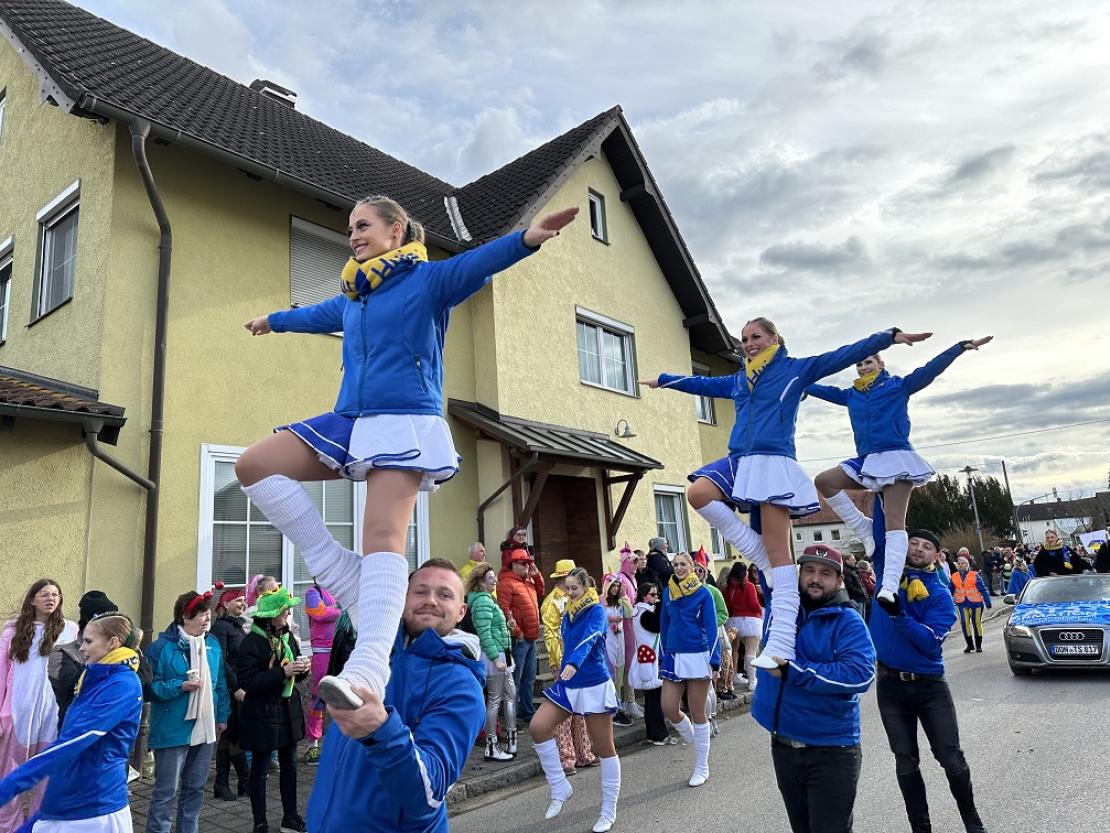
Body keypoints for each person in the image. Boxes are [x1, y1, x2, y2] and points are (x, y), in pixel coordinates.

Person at [237, 199, 577, 711]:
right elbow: (315, 315)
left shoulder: (427, 280)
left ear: (396, 230)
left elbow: (476, 264)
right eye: (350, 228)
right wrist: (274, 321)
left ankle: (370, 667)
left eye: (363, 226)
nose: (353, 235)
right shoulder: (354, 298)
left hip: (403, 420)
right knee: (253, 464)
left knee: (382, 536)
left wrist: (527, 238)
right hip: (351, 418)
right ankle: (338, 568)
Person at [642, 318, 930, 668]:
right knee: (699, 493)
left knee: (780, 558)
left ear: (774, 338)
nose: (749, 343)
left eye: (756, 337)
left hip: (773, 462)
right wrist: (665, 380)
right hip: (740, 459)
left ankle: (781, 644)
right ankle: (756, 551)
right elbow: (703, 382)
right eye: (745, 338)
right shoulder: (740, 379)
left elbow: (842, 354)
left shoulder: (795, 370)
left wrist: (888, 338)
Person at [806, 338, 992, 608]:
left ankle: (890, 586)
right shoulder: (851, 395)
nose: (862, 367)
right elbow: (813, 386)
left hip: (896, 457)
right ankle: (863, 528)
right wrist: (790, 378)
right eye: (859, 363)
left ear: (881, 364)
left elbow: (931, 369)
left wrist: (959, 348)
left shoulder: (898, 386)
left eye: (868, 362)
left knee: (895, 522)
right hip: (867, 460)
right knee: (824, 481)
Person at [305, 558, 485, 833]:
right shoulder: (375, 649)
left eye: (444, 594)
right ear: (401, 601)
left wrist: (381, 731)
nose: (431, 601)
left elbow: (430, 792)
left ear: (461, 612)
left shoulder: (461, 686)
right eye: (420, 591)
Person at [868, 518, 988, 833]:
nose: (919, 549)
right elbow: (884, 527)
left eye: (927, 547)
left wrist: (898, 615)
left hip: (929, 687)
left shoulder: (939, 593)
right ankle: (920, 826)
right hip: (890, 687)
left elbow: (928, 643)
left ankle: (971, 818)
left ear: (937, 556)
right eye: (914, 543)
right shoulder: (887, 574)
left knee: (950, 757)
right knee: (905, 760)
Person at [751, 545, 876, 833]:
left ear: (839, 580)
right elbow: (765, 547)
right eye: (808, 570)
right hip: (783, 747)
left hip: (831, 752)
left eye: (825, 573)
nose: (815, 579)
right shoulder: (783, 609)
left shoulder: (847, 621)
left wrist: (793, 672)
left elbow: (860, 674)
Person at [0, 613, 144, 833]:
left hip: (93, 807)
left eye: (88, 641)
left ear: (112, 642)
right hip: (66, 799)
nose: (82, 648)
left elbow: (75, 740)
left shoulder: (123, 684)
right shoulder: (92, 677)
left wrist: (11, 784)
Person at [529, 568, 621, 833]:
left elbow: (591, 638)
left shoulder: (596, 611)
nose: (569, 592)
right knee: (538, 726)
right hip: (568, 682)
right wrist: (561, 665)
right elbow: (564, 641)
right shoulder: (568, 611)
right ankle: (559, 786)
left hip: (592, 682)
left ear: (585, 587)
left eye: (574, 588)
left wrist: (573, 663)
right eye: (566, 588)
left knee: (604, 748)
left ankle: (608, 809)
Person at [146, 590, 231, 833]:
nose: (207, 619)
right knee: (166, 792)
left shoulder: (212, 644)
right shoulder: (161, 648)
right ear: (185, 617)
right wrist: (179, 686)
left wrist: (222, 715)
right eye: (201, 615)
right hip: (172, 728)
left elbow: (220, 683)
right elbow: (150, 689)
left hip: (205, 726)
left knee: (195, 788)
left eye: (208, 614)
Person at [0, 579, 79, 832]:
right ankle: (8, 826)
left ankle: (40, 825)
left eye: (56, 594)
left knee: (47, 775)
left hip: (51, 713)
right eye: (44, 594)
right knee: (10, 775)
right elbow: (1, 671)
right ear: (32, 599)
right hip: (18, 711)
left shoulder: (70, 630)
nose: (51, 598)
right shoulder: (14, 629)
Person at [237, 587, 310, 833]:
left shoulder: (287, 637)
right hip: (262, 713)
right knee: (260, 770)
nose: (289, 613)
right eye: (284, 610)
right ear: (270, 615)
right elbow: (248, 681)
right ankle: (260, 822)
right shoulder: (252, 641)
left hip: (287, 711)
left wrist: (302, 669)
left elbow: (294, 674)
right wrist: (282, 672)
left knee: (290, 766)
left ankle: (290, 817)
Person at [659, 551, 720, 787]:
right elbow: (664, 625)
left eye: (683, 564)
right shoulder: (668, 592)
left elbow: (711, 627)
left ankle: (701, 765)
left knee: (697, 711)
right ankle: (697, 743)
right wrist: (664, 654)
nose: (678, 568)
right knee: (668, 707)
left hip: (698, 655)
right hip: (674, 654)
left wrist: (714, 661)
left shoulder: (703, 593)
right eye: (675, 564)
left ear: (692, 567)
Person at [540, 560, 598, 775]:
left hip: (578, 661)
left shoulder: (577, 599)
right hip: (564, 663)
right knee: (563, 712)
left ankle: (583, 753)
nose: (571, 583)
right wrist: (557, 663)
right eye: (568, 578)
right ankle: (566, 758)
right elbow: (551, 635)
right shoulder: (551, 603)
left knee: (578, 709)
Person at [464, 563, 516, 762]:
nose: (495, 580)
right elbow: (484, 634)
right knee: (495, 699)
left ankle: (510, 742)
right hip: (496, 656)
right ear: (481, 582)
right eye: (491, 578)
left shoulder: (487, 600)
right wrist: (495, 658)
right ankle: (491, 746)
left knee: (510, 695)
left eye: (495, 577)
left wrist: (507, 626)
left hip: (502, 653)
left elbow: (493, 630)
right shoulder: (483, 602)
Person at [49, 589, 122, 727]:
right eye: (106, 619)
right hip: (77, 727)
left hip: (112, 729)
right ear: (90, 621)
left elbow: (145, 680)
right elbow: (69, 688)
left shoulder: (122, 649)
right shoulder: (63, 652)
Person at [210, 587, 251, 799]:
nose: (243, 604)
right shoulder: (220, 627)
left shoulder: (238, 627)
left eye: (244, 600)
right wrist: (235, 687)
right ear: (226, 604)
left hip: (240, 685)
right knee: (231, 733)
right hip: (229, 688)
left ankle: (226, 783)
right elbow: (221, 661)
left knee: (232, 734)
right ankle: (240, 780)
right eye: (239, 601)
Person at [498, 548, 545, 722]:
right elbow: (503, 610)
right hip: (519, 639)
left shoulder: (529, 581)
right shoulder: (506, 583)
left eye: (529, 563)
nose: (527, 566)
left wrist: (537, 575)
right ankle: (512, 715)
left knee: (529, 677)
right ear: (514, 565)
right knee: (515, 679)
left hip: (530, 637)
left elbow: (541, 593)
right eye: (523, 563)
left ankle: (526, 710)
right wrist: (517, 632)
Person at [302, 582, 341, 764]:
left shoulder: (339, 590)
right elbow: (319, 613)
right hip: (322, 652)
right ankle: (312, 746)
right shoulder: (312, 592)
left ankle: (340, 745)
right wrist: (342, 611)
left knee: (343, 698)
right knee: (319, 698)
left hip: (341, 649)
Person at [692, 552, 729, 734]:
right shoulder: (685, 592)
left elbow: (723, 613)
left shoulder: (712, 591)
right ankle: (702, 720)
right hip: (691, 645)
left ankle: (711, 719)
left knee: (708, 685)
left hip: (709, 642)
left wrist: (709, 624)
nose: (697, 573)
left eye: (700, 570)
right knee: (699, 687)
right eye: (695, 570)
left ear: (705, 572)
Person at [628, 582, 667, 745]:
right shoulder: (645, 613)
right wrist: (659, 607)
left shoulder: (638, 610)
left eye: (657, 594)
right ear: (644, 596)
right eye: (653, 595)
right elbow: (658, 626)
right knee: (654, 701)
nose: (656, 597)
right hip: (650, 661)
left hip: (646, 658)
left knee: (651, 700)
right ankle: (659, 735)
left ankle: (653, 734)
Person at [601, 574, 635, 726]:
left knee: (620, 673)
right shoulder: (601, 600)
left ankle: (618, 705)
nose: (615, 589)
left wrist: (624, 597)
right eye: (613, 586)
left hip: (619, 640)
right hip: (607, 642)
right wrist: (609, 620)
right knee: (611, 674)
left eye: (617, 586)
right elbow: (598, 619)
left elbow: (629, 614)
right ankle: (611, 709)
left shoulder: (620, 600)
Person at [723, 561, 762, 690]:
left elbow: (728, 606)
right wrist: (759, 610)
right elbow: (753, 604)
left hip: (733, 620)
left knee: (734, 650)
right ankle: (752, 681)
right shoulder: (749, 586)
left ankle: (733, 677)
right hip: (750, 620)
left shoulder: (728, 587)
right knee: (751, 651)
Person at [614, 544, 642, 718]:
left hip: (632, 624)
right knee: (624, 663)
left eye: (636, 562)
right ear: (625, 563)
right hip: (623, 626)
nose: (635, 565)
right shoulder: (620, 578)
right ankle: (626, 701)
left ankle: (630, 700)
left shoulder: (633, 578)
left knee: (631, 662)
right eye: (632, 562)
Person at [952, 555, 991, 653]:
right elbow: (950, 589)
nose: (960, 565)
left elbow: (982, 589)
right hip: (962, 603)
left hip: (976, 603)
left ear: (967, 564)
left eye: (963, 563)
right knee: (965, 624)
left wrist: (987, 602)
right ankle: (969, 645)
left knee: (976, 623)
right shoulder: (954, 576)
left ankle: (978, 645)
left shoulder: (974, 575)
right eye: (959, 563)